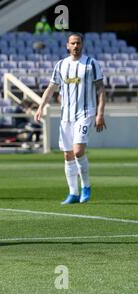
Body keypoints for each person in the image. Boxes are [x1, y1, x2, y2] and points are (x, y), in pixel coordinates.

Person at [34, 32, 106, 204]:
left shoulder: (91, 64)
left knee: (78, 150)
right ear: (67, 45)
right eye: (72, 43)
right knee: (67, 155)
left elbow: (101, 90)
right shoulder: (61, 65)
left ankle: (86, 186)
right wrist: (40, 107)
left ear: (82, 45)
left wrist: (100, 113)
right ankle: (73, 193)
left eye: (78, 43)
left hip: (85, 112)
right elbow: (51, 89)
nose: (75, 46)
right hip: (66, 116)